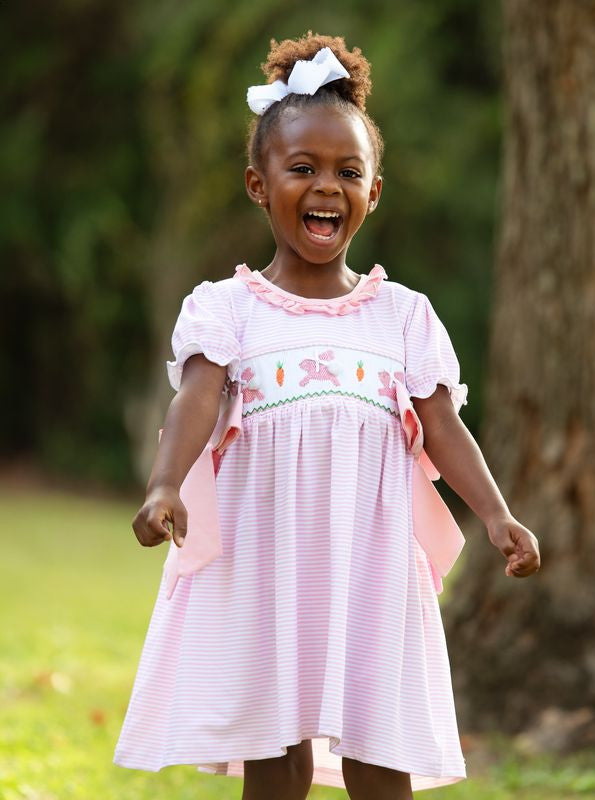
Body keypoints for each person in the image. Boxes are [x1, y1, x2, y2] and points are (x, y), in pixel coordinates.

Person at [112, 31, 541, 800]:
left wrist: (498, 515)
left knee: (382, 742)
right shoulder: (228, 311)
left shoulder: (403, 319)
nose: (325, 187)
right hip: (266, 564)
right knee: (278, 751)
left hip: (370, 570)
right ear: (257, 182)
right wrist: (164, 486)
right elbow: (196, 401)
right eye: (301, 169)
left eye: (348, 172)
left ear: (374, 192)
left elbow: (443, 427)